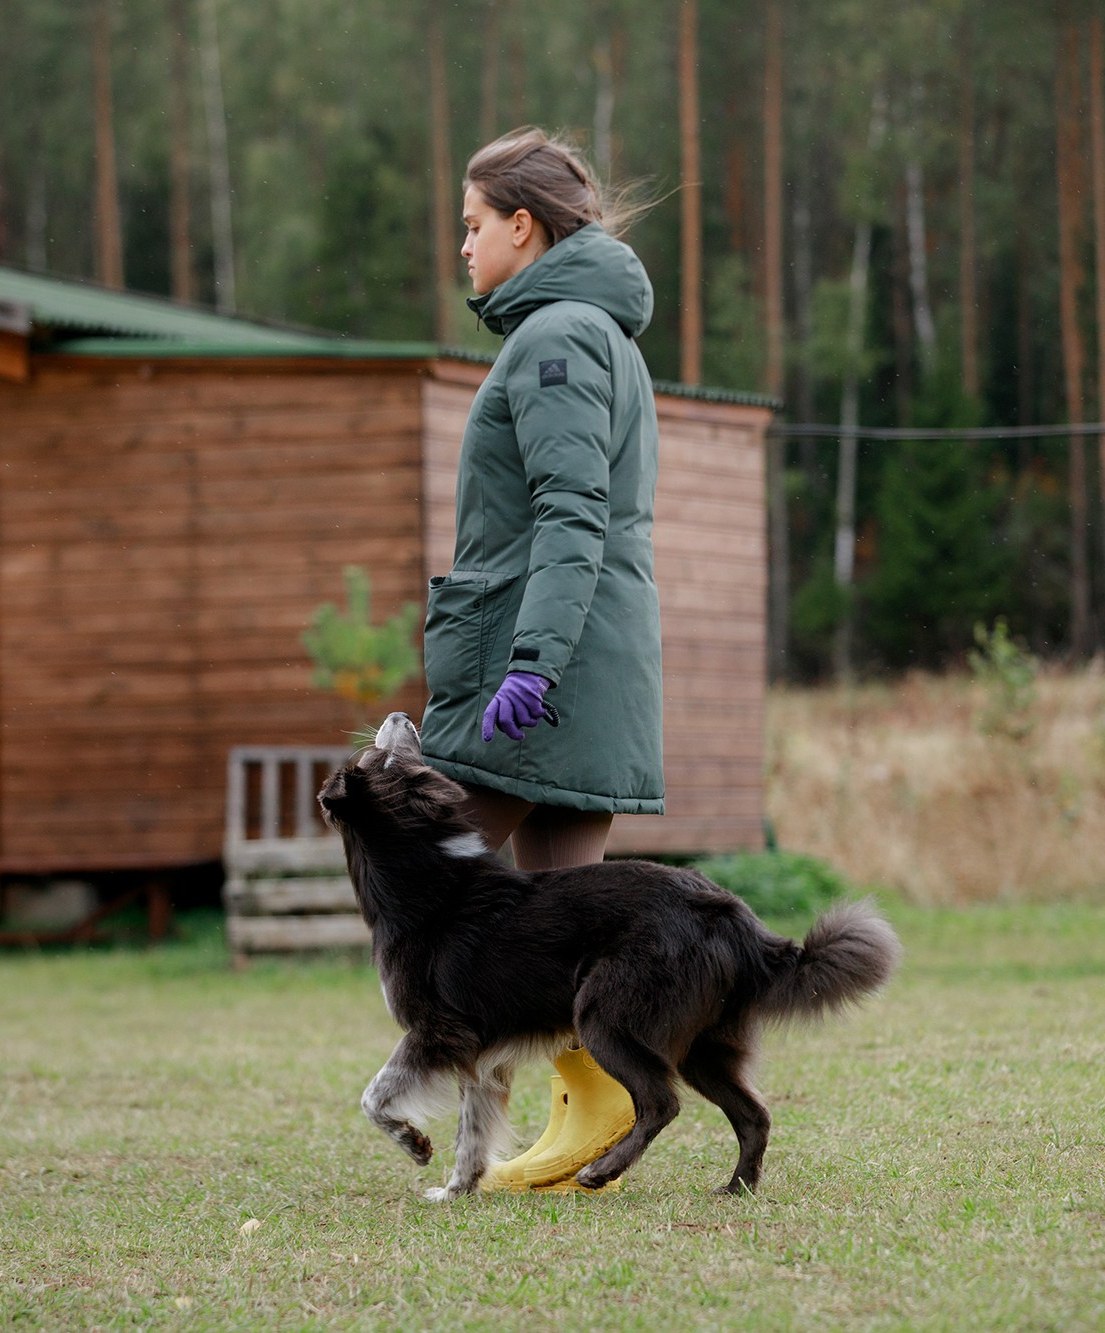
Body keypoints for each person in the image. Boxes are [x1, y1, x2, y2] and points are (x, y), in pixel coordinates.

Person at [417, 127, 662, 1192]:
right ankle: (588, 1109)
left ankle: (513, 1110)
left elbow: (572, 512)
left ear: (524, 226)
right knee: (564, 904)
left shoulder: (558, 336)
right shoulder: (588, 329)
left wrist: (529, 660)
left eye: (471, 225)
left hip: (537, 671)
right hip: (576, 662)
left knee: (426, 886)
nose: (460, 247)